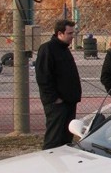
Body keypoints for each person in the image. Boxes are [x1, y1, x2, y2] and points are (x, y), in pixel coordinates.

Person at [35, 19, 82, 149]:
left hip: (69, 101)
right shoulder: (47, 49)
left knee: (66, 137)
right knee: (54, 138)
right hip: (57, 104)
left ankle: (63, 162)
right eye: (70, 33)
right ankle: (50, 162)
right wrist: (55, 99)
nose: (73, 36)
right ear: (60, 33)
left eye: (73, 33)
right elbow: (43, 77)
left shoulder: (64, 49)